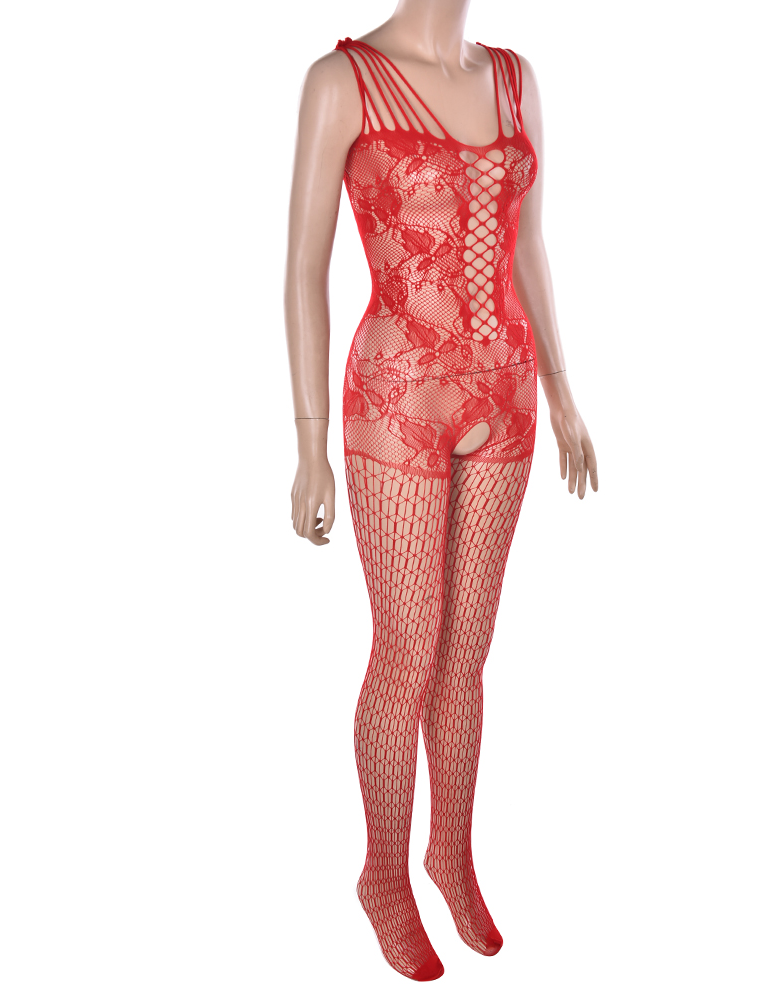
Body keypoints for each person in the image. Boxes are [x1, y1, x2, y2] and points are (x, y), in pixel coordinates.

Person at [285, 0, 597, 981]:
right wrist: (308, 444)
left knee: (467, 653)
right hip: (398, 393)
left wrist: (564, 391)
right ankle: (382, 874)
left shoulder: (514, 78)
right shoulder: (342, 82)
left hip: (507, 391)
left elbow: (528, 244)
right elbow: (302, 271)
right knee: (407, 649)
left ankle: (449, 856)